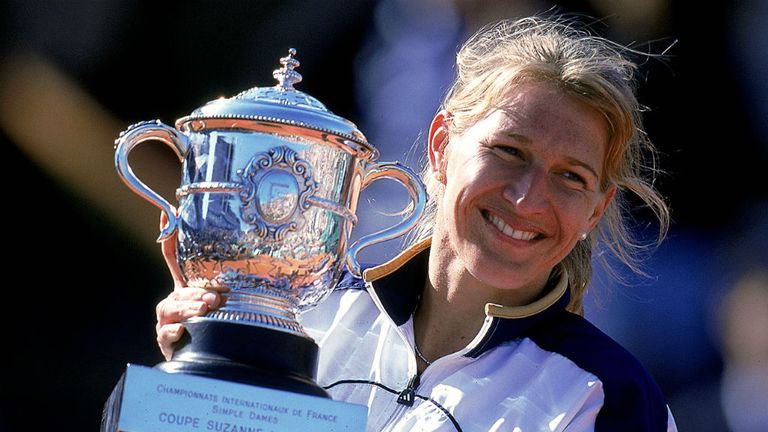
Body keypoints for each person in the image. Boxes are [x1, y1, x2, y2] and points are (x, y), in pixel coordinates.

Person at [155, 15, 677, 431]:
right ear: (442, 147)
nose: (527, 197)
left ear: (596, 209)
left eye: (571, 177)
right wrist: (206, 368)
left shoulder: (606, 397)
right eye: (509, 151)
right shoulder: (310, 315)